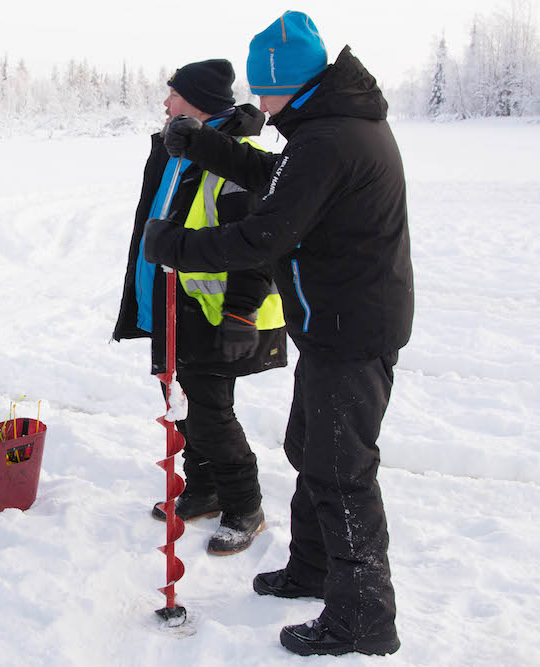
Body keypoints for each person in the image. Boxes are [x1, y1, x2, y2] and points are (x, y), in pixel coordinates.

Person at [144, 11, 413, 657]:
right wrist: (204, 145)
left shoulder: (331, 138)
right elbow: (278, 179)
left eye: (264, 90)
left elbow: (265, 232)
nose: (257, 104)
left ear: (286, 83)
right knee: (309, 446)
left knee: (341, 471)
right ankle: (314, 568)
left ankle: (363, 619)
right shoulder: (329, 126)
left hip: (350, 329)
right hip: (337, 323)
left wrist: (171, 244)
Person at [112, 59, 286, 556]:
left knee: (211, 412)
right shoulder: (178, 149)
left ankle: (245, 505)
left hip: (217, 312)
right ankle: (205, 487)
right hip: (178, 306)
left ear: (198, 102)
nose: (165, 104)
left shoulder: (239, 157)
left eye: (173, 95)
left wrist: (240, 313)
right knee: (184, 405)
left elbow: (259, 245)